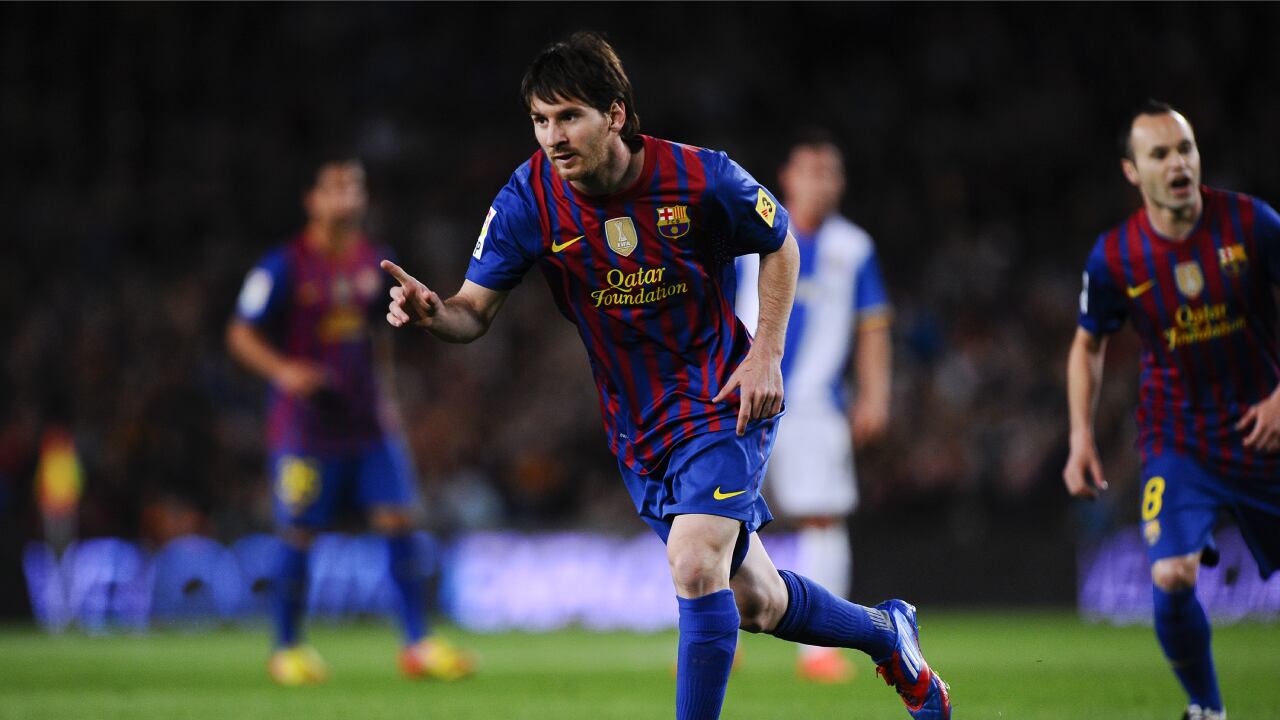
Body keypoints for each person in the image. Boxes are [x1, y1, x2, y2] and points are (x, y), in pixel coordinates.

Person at [381, 32, 948, 719]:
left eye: (569, 117)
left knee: (695, 561)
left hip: (721, 399)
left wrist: (766, 353)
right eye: (540, 120)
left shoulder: (700, 177)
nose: (553, 137)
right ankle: (887, 633)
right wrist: (434, 312)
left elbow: (780, 242)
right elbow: (472, 313)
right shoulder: (529, 197)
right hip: (637, 429)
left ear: (615, 114)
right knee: (756, 603)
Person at [1064, 100, 1280, 720]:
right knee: (1171, 576)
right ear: (1133, 171)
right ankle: (1206, 709)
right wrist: (1080, 436)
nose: (1177, 163)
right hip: (1179, 439)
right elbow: (1087, 344)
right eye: (1159, 154)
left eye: (1184, 148)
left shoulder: (1252, 222)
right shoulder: (1115, 256)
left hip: (1264, 427)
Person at [227, 155, 473, 685]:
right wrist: (285, 371)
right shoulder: (283, 265)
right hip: (305, 427)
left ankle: (418, 644)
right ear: (312, 200)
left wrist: (388, 399)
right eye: (336, 187)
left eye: (355, 187)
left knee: (399, 520)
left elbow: (382, 334)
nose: (348, 197)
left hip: (368, 425)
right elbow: (241, 333)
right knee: (298, 531)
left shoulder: (375, 261)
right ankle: (287, 648)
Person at [735, 131, 893, 683]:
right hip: (743, 394)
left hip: (816, 405)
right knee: (718, 513)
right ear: (787, 177)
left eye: (830, 173)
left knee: (823, 516)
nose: (821, 183)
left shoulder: (854, 247)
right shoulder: (748, 233)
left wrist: (874, 396)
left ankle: (818, 652)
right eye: (811, 171)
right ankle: (719, 635)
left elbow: (873, 326)